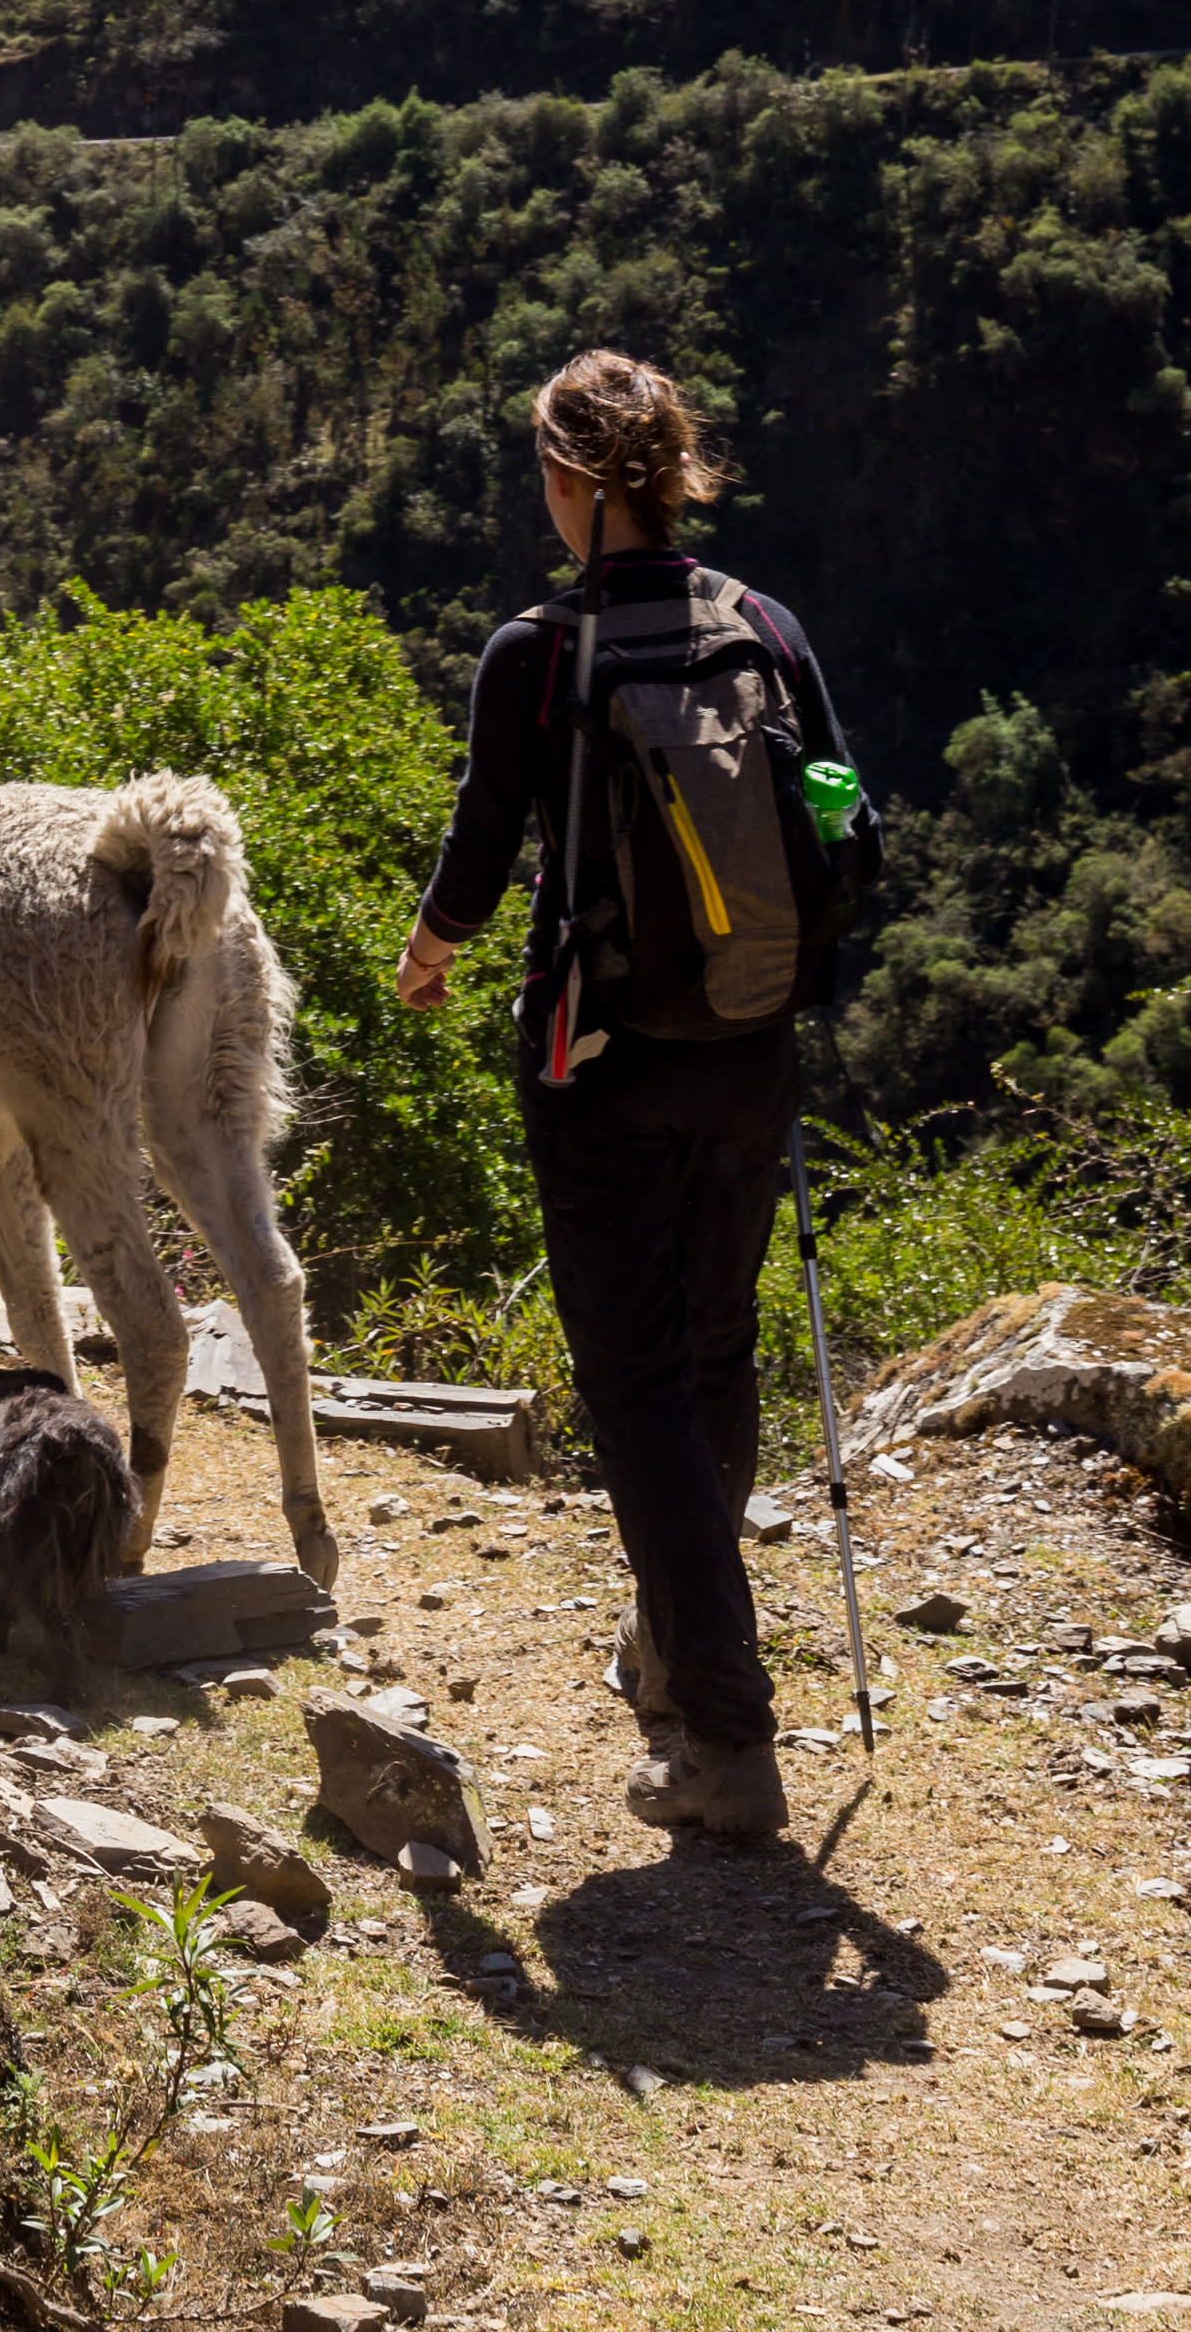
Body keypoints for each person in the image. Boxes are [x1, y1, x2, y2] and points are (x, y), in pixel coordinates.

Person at [392, 348, 848, 1840]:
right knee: (717, 1356)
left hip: (599, 1063)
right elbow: (844, 804)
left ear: (574, 479)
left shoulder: (542, 652)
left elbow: (482, 833)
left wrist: (433, 948)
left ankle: (723, 1734)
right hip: (752, 1047)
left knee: (637, 1388)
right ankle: (675, 1647)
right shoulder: (767, 629)